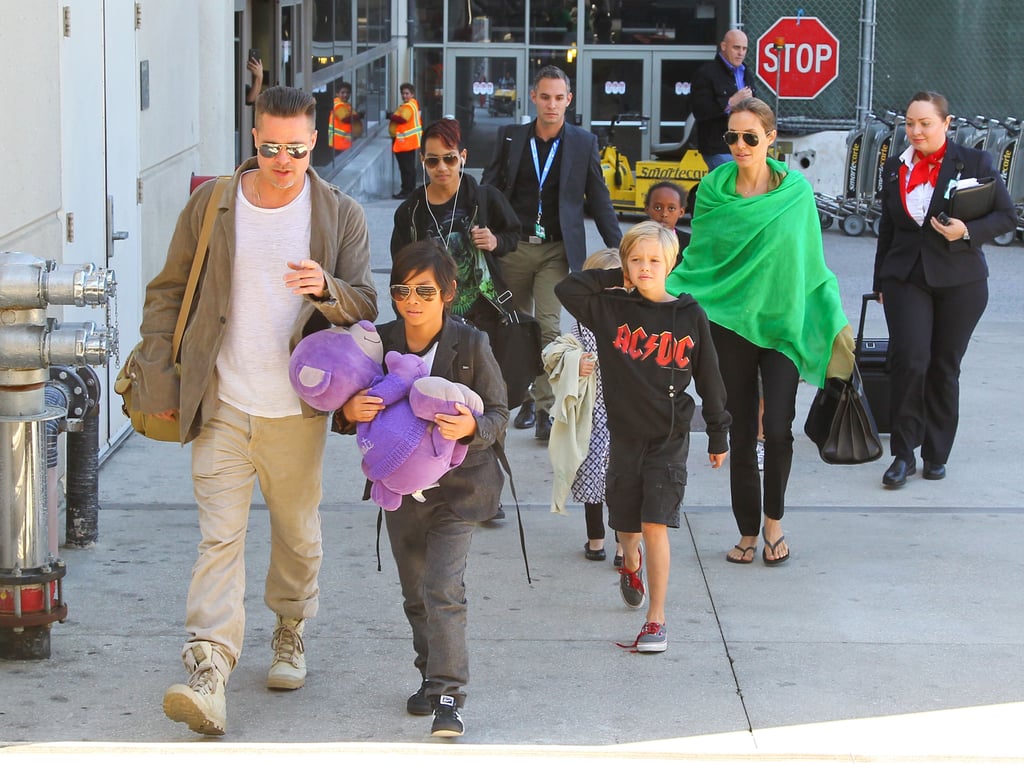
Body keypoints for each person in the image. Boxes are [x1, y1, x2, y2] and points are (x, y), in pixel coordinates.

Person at [136, 85, 378, 736]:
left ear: (315, 141)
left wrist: (325, 289)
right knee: (220, 537)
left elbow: (365, 303)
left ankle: (291, 626)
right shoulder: (212, 205)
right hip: (222, 400)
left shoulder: (338, 214)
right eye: (270, 147)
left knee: (297, 534)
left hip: (295, 411)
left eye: (295, 148)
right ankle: (208, 667)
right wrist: (161, 364)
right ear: (254, 140)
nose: (282, 159)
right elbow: (167, 290)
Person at [666, 97, 853, 566]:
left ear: (771, 138)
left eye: (751, 136)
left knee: (779, 427)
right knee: (741, 429)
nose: (741, 145)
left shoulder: (795, 193)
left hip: (783, 325)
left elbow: (810, 265)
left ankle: (775, 524)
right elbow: (703, 260)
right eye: (733, 137)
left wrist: (829, 314)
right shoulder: (712, 189)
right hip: (729, 325)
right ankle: (748, 531)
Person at [337, 240, 508, 737]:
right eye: (402, 290)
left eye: (424, 291)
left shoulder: (471, 343)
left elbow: (499, 411)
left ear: (448, 294)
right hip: (397, 490)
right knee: (415, 593)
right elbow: (343, 403)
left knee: (442, 590)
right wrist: (348, 413)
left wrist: (471, 429)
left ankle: (449, 696)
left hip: (458, 491)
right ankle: (429, 677)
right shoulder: (379, 340)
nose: (411, 301)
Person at [556, 221, 730, 652]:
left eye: (655, 260)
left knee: (656, 523)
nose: (645, 267)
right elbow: (568, 289)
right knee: (627, 523)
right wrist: (621, 275)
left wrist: (718, 432)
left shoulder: (689, 315)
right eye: (637, 259)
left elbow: (710, 376)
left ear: (672, 263)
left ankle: (656, 620)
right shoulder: (612, 310)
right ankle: (628, 560)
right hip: (624, 435)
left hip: (669, 437)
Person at [872, 91, 1015, 489]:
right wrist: (879, 280)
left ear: (946, 124)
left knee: (943, 367)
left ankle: (936, 453)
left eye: (925, 123)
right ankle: (903, 453)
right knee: (910, 360)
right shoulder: (893, 167)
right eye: (910, 123)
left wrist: (967, 231)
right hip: (905, 278)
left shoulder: (974, 162)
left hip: (961, 280)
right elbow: (888, 227)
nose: (915, 131)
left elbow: (1006, 216)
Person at [482, 65, 622, 441]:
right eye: (545, 97)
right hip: (512, 248)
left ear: (569, 100)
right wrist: (478, 230)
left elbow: (599, 198)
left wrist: (621, 248)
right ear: (533, 97)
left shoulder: (582, 142)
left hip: (556, 252)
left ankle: (545, 409)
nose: (552, 104)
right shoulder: (510, 138)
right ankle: (526, 398)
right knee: (512, 328)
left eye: (559, 98)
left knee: (546, 328)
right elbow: (488, 189)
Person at [391, 118, 520, 318]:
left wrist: (495, 241)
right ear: (422, 160)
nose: (442, 167)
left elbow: (513, 234)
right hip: (431, 316)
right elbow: (400, 270)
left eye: (449, 159)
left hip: (484, 312)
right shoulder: (410, 211)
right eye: (433, 161)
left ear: (463, 157)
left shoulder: (486, 198)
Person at [543, 248, 624, 565]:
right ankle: (596, 538)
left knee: (622, 482)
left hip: (623, 415)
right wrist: (575, 364)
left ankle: (623, 544)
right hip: (591, 415)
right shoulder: (581, 325)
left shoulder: (634, 322)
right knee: (592, 479)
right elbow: (554, 354)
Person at [690, 29, 755, 171]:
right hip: (717, 146)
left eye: (744, 48)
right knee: (731, 182)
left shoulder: (747, 73)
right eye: (736, 47)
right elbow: (700, 110)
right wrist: (730, 103)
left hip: (744, 145)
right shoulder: (707, 73)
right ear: (724, 46)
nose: (741, 53)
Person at [644, 181, 690, 267]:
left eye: (671, 208)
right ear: (647, 209)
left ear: (681, 212)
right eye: (657, 208)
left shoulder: (690, 245)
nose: (664, 214)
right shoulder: (636, 242)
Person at [390, 83, 423, 199]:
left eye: (407, 93)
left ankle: (406, 191)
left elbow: (402, 119)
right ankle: (409, 190)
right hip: (408, 142)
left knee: (406, 169)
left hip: (405, 143)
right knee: (408, 168)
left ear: (412, 94)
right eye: (403, 93)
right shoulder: (411, 105)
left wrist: (391, 116)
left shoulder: (409, 106)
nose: (404, 96)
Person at [329, 81, 359, 152]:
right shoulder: (338, 105)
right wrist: (359, 116)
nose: (345, 95)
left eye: (348, 93)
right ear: (337, 94)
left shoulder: (346, 105)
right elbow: (345, 119)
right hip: (339, 144)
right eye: (342, 93)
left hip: (345, 142)